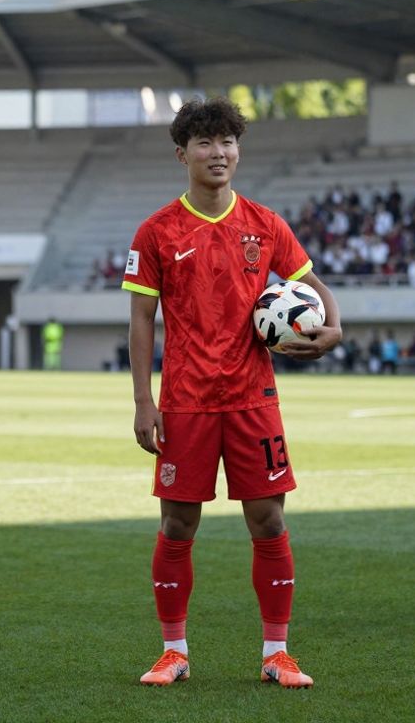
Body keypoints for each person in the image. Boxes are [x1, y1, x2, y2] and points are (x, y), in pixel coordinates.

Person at [123, 97, 342, 688]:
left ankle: (277, 653)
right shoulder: (157, 231)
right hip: (186, 401)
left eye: (227, 142)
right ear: (183, 154)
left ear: (238, 150)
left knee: (268, 520)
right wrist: (143, 401)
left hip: (253, 398)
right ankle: (173, 651)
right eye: (205, 143)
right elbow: (141, 319)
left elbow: (313, 285)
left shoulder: (265, 224)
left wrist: (336, 326)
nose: (218, 153)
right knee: (177, 525)